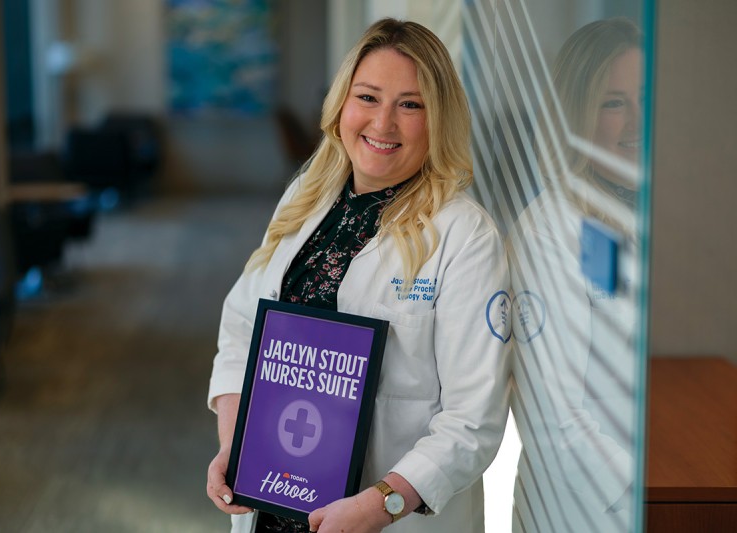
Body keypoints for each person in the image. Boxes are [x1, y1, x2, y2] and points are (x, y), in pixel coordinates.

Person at [206, 18, 510, 533]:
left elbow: (471, 422)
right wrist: (235, 446)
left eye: (410, 105)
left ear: (438, 119)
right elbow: (242, 327)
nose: (383, 123)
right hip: (273, 506)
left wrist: (379, 506)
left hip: (385, 518)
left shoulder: (465, 236)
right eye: (367, 97)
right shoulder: (308, 194)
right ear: (341, 104)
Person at [507, 18, 644, 532]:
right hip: (589, 509)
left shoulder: (647, 213)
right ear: (576, 114)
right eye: (613, 103)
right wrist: (644, 489)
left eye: (644, 99)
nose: (636, 122)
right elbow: (556, 416)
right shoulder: (551, 232)